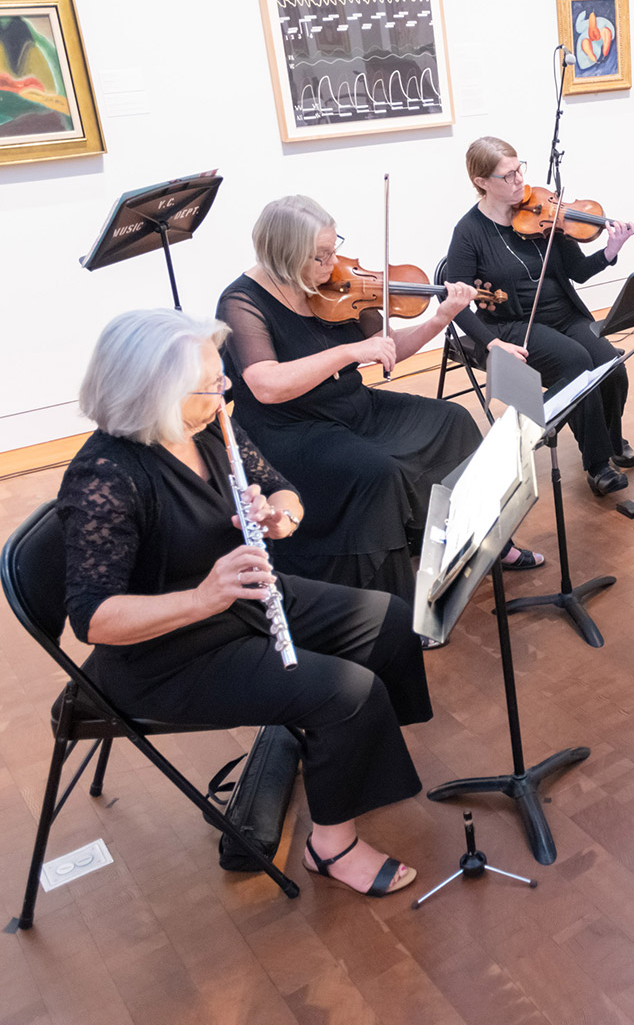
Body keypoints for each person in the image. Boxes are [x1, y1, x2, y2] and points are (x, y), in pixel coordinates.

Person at [58, 309, 431, 895]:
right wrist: (204, 597)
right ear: (155, 393)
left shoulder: (205, 428)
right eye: (210, 383)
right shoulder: (104, 477)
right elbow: (94, 620)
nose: (225, 388)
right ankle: (331, 848)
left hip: (240, 601)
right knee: (346, 691)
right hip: (168, 653)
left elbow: (282, 491)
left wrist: (279, 518)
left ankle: (358, 763)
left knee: (389, 621)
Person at [217, 195, 539, 610]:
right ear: (284, 256)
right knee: (377, 471)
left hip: (350, 405)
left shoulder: (338, 285)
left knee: (452, 420)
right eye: (319, 256)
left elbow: (389, 348)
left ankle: (479, 543)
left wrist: (440, 319)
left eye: (333, 248)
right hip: (289, 427)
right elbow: (266, 385)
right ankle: (397, 603)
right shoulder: (243, 302)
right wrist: (349, 353)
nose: (331, 263)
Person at [446, 136, 634, 496]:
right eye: (508, 176)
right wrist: (492, 344)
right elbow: (454, 301)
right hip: (515, 326)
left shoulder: (543, 210)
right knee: (578, 364)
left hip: (565, 315)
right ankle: (597, 464)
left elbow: (578, 271)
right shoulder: (470, 232)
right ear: (481, 182)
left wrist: (610, 251)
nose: (520, 180)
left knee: (611, 366)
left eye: (520, 169)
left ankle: (611, 440)